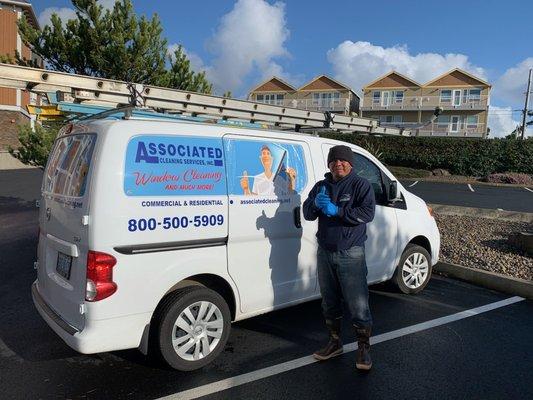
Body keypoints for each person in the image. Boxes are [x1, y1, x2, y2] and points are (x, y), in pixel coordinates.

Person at [303, 145, 376, 371]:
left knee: (357, 303)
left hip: (350, 252)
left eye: (343, 161)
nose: (338, 164)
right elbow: (306, 212)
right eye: (334, 161)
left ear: (351, 164)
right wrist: (314, 204)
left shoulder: (360, 185)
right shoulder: (321, 186)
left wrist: (338, 211)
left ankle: (363, 348)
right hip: (325, 251)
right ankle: (335, 342)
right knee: (329, 301)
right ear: (329, 164)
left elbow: (367, 213)